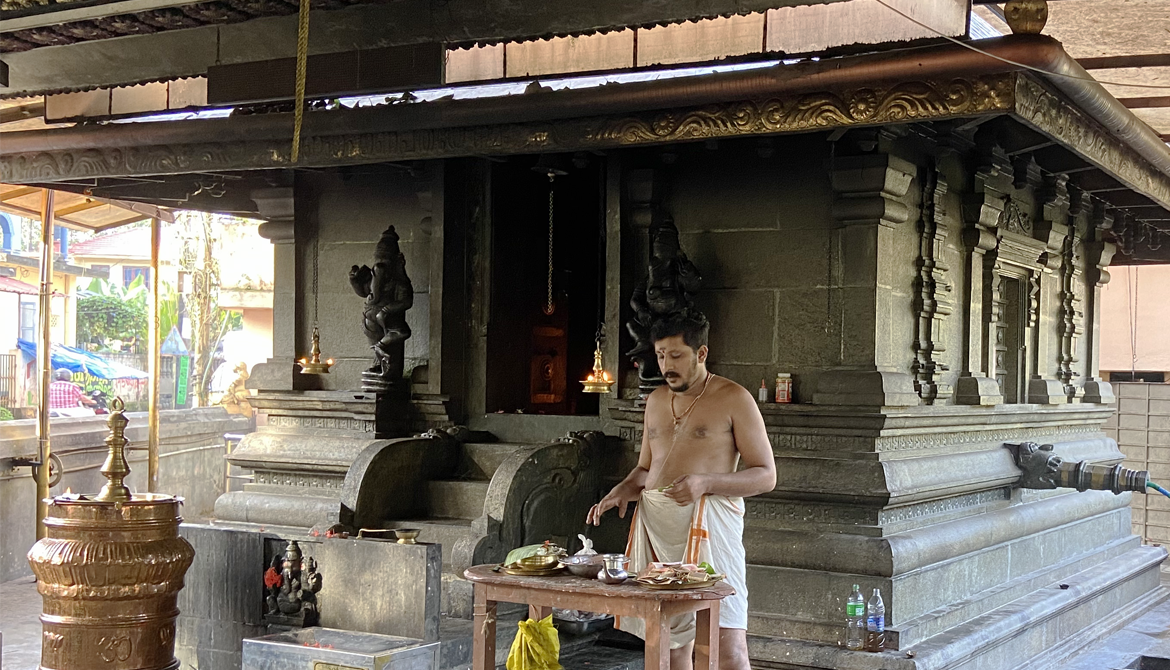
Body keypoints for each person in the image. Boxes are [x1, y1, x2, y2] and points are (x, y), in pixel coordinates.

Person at [587, 312, 776, 670]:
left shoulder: (734, 397)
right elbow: (645, 469)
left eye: (676, 356)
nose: (666, 365)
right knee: (667, 647)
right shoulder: (656, 400)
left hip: (709, 526)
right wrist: (622, 490)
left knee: (723, 645)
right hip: (657, 526)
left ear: (701, 353)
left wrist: (705, 483)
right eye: (660, 355)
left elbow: (766, 476)